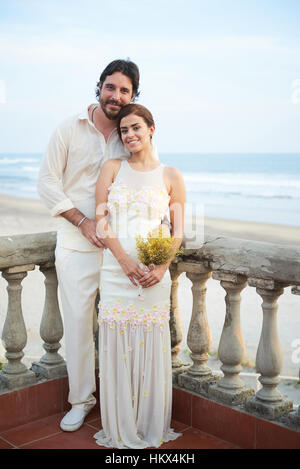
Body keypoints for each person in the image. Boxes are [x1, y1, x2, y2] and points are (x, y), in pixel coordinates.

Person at [38, 59, 164, 432]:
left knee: (119, 328)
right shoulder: (68, 128)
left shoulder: (131, 131)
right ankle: (80, 400)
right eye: (111, 87)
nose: (116, 95)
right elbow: (47, 183)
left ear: (134, 96)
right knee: (78, 325)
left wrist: (160, 244)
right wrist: (82, 221)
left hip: (121, 252)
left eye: (125, 90)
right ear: (99, 87)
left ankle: (123, 403)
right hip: (77, 246)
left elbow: (152, 184)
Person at [93, 103, 186, 449]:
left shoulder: (171, 175)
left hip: (153, 278)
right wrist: (123, 261)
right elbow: (101, 221)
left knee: (150, 345)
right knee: (118, 344)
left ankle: (148, 424)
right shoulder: (112, 168)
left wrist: (161, 268)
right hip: (117, 275)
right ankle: (120, 425)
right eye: (123, 131)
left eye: (136, 128)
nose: (129, 135)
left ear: (151, 129)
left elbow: (177, 231)